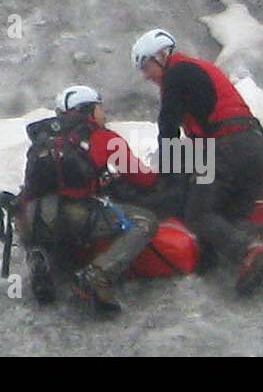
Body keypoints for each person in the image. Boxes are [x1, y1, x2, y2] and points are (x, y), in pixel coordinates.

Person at [130, 28, 263, 294]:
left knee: (198, 214)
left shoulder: (175, 74)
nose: (145, 76)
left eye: (146, 66)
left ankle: (250, 250)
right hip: (254, 144)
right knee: (234, 212)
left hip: (225, 147)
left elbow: (168, 128)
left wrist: (165, 175)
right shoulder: (199, 69)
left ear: (162, 55)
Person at [17, 85, 159, 316]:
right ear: (90, 111)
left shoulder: (44, 140)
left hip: (31, 217)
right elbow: (143, 179)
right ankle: (98, 275)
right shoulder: (104, 137)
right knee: (145, 221)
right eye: (100, 107)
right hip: (74, 215)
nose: (104, 113)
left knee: (45, 220)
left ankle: (38, 257)